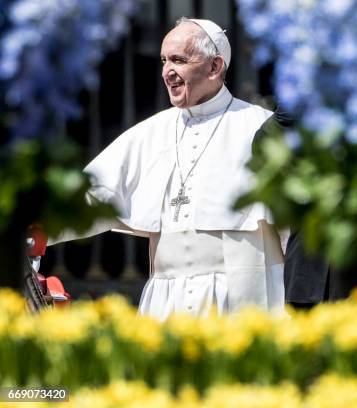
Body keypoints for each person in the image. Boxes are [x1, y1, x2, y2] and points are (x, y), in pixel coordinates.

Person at [43, 18, 285, 321]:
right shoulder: (152, 132)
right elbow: (91, 194)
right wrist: (32, 229)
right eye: (164, 60)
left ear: (214, 67)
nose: (166, 71)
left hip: (235, 301)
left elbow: (296, 222)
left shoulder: (259, 127)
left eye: (179, 60)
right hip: (164, 300)